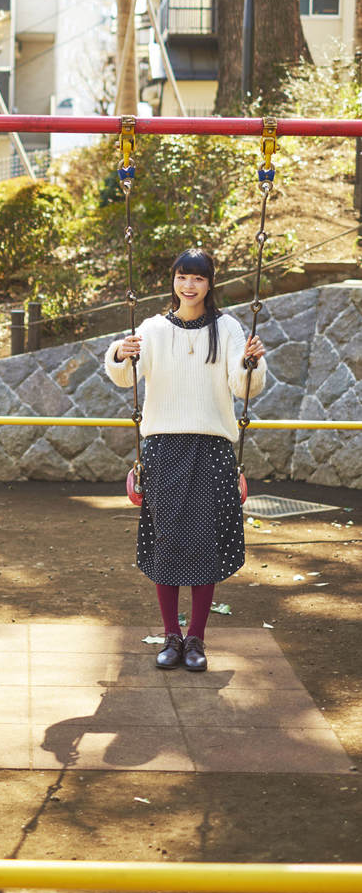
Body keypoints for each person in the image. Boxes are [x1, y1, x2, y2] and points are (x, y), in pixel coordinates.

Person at [104, 248, 266, 672]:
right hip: (164, 447)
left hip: (212, 448)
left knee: (205, 543)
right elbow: (125, 376)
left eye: (198, 278)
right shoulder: (153, 328)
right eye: (182, 277)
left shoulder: (227, 328)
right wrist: (120, 352)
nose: (189, 285)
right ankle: (170, 636)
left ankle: (196, 637)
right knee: (168, 542)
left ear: (210, 284)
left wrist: (251, 363)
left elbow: (243, 386)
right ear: (173, 280)